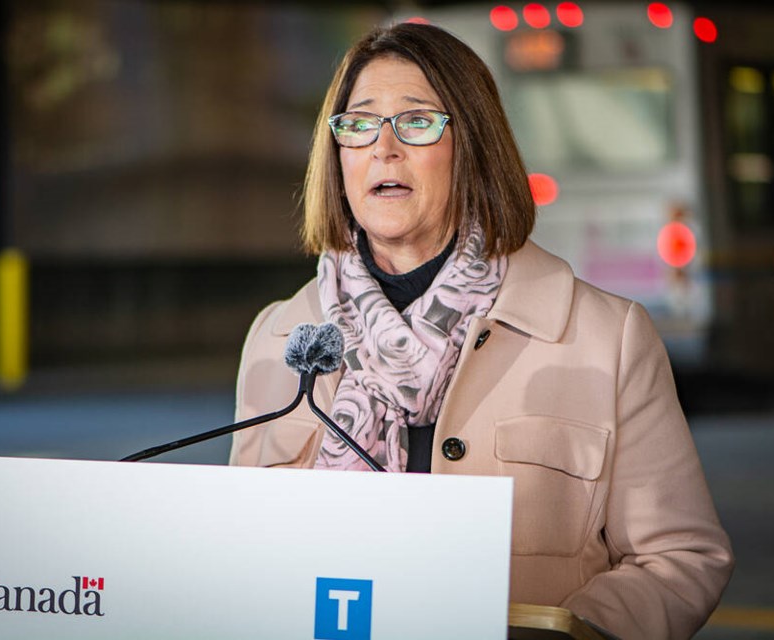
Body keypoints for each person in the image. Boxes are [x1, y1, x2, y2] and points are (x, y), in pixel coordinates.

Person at [230, 23, 732, 639]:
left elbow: (680, 557)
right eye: (359, 124)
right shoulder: (279, 337)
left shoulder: (608, 335)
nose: (383, 149)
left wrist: (570, 632)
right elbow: (245, 556)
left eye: (416, 122)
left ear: (472, 145)